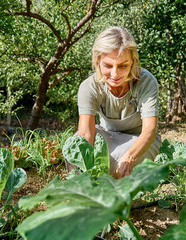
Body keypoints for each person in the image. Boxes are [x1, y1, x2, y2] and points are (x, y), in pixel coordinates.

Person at [76, 26, 161, 179]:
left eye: (123, 66)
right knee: (75, 145)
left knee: (119, 163)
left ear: (133, 62)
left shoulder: (146, 82)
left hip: (139, 141)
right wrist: (83, 167)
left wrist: (129, 157)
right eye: (108, 65)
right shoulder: (89, 87)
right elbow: (85, 134)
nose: (115, 74)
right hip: (108, 136)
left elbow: (149, 131)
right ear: (98, 61)